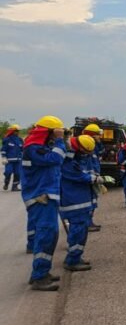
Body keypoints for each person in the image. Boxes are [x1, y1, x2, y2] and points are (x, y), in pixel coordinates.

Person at [22, 115, 66, 291]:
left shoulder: (42, 147)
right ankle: (39, 276)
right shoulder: (34, 148)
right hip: (41, 196)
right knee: (46, 234)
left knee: (51, 234)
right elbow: (55, 159)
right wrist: (60, 140)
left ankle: (41, 272)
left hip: (47, 195)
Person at [61, 135, 108, 272]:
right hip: (74, 201)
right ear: (80, 148)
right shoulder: (68, 161)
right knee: (78, 231)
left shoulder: (76, 157)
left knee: (81, 230)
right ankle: (72, 260)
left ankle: (75, 257)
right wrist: (96, 179)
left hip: (80, 199)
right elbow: (78, 175)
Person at [82, 123, 104, 231]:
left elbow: (101, 152)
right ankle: (87, 224)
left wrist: (99, 142)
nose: (99, 136)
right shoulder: (85, 145)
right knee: (89, 201)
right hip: (88, 178)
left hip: (94, 176)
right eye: (97, 135)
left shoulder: (93, 145)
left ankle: (89, 223)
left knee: (93, 201)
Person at [2, 124, 23, 191]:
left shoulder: (20, 140)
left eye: (18, 131)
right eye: (16, 131)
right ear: (12, 131)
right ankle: (6, 183)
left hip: (18, 161)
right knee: (8, 172)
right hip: (9, 161)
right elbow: (3, 149)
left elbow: (23, 149)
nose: (17, 132)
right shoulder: (7, 140)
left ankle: (15, 187)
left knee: (18, 173)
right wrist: (4, 157)